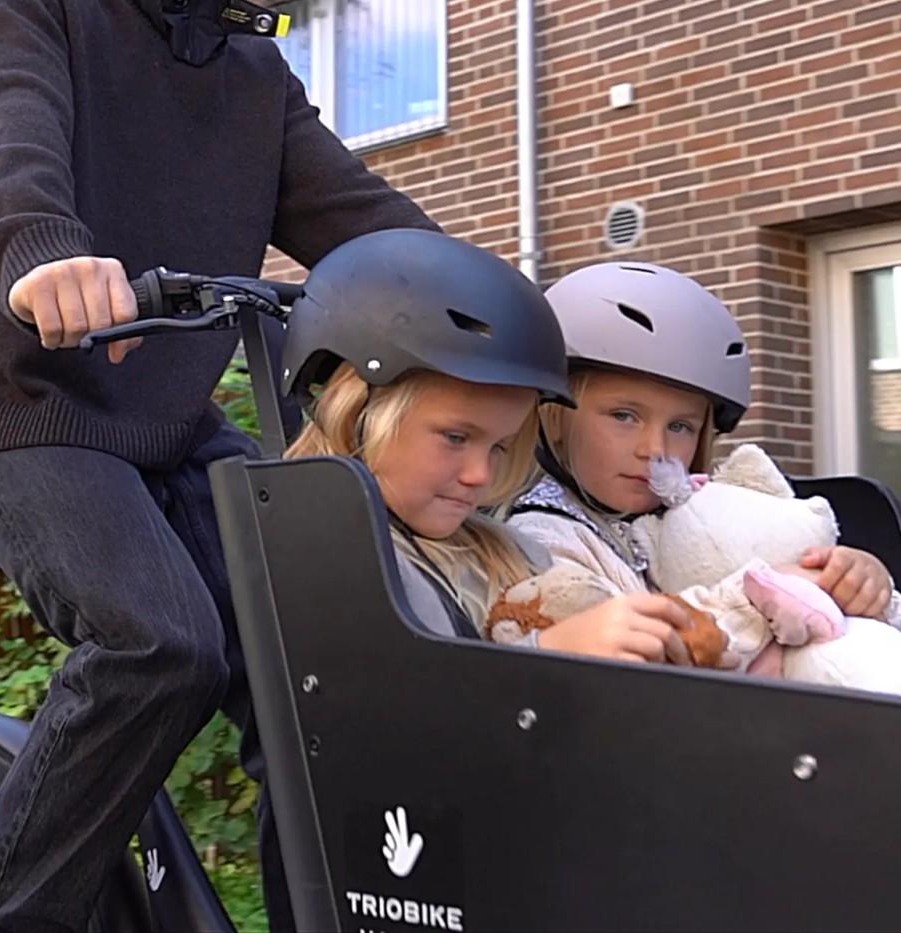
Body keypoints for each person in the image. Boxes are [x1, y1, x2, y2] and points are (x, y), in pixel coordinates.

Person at [0, 0, 438, 929]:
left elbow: (359, 216)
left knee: (318, 654)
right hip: (19, 398)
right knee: (160, 641)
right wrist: (44, 257)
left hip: (166, 414)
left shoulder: (249, 63)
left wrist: (508, 310)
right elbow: (12, 146)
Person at [278, 229, 699, 661]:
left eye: (500, 447)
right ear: (357, 415)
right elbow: (377, 701)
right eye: (456, 437)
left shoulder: (511, 556)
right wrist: (549, 654)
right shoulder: (321, 551)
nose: (480, 475)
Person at [507, 262, 901, 635]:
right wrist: (770, 592)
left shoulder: (709, 516)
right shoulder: (543, 538)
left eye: (681, 426)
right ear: (552, 414)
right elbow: (641, 662)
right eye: (624, 416)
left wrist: (862, 586)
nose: (655, 448)